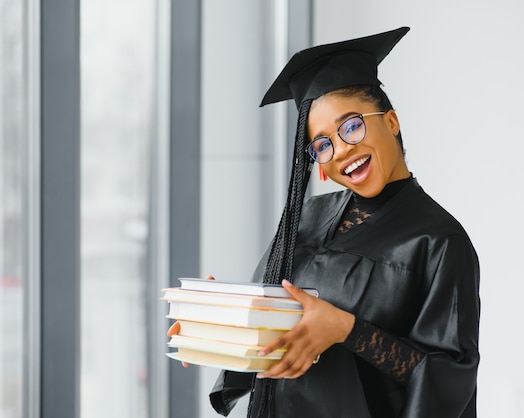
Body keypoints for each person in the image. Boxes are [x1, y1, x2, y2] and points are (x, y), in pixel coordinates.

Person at [172, 26, 480, 417]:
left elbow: (447, 377)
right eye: (323, 144)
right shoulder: (306, 220)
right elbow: (269, 330)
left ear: (391, 122)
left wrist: (347, 330)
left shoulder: (438, 240)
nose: (342, 150)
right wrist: (220, 325)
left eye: (351, 125)